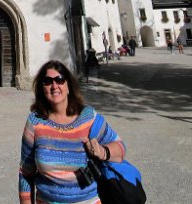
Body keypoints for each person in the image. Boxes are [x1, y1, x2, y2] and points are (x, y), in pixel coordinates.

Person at [19, 60, 126, 203]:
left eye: (60, 80)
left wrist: (102, 151)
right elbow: (26, 172)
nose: (54, 85)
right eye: (48, 81)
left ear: (69, 86)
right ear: (41, 88)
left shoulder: (87, 117)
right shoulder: (35, 122)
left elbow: (120, 148)